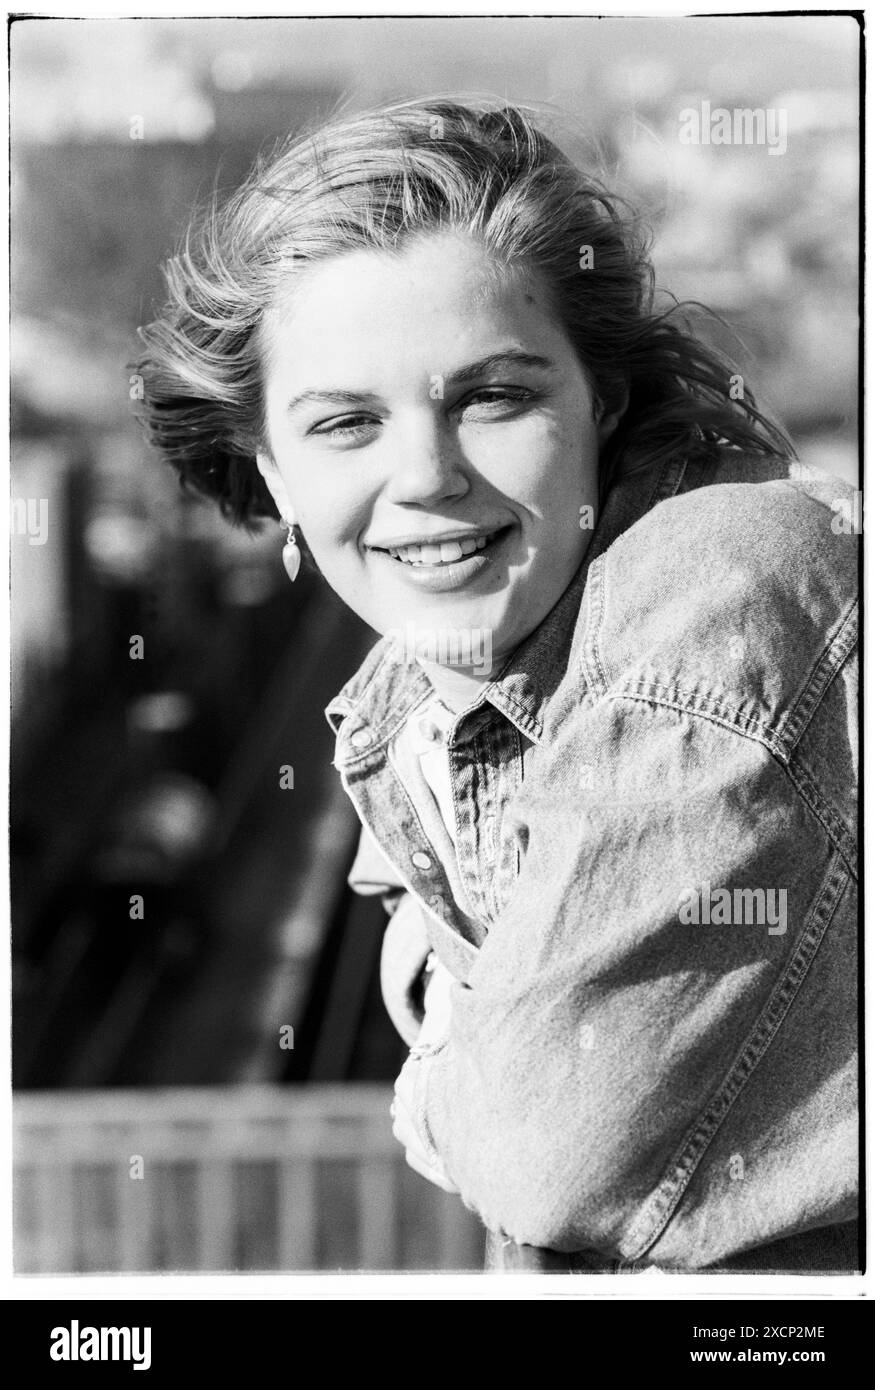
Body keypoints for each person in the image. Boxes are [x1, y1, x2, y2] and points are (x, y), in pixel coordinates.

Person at [136, 97, 858, 1273]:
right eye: (345, 423)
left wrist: (437, 1082)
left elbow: (548, 1154)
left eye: (492, 398)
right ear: (270, 471)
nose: (425, 475)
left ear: (600, 400)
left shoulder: (724, 587)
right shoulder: (421, 701)